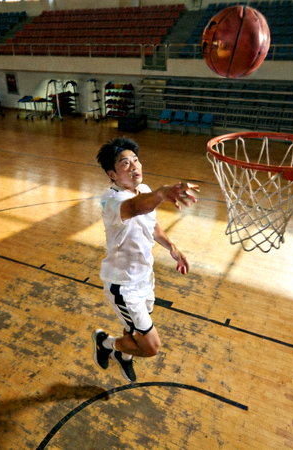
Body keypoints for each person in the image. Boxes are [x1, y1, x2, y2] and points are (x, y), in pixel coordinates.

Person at [92, 137, 198, 382]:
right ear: (112, 174)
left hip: (145, 278)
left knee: (133, 329)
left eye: (136, 160)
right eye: (125, 163)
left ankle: (125, 356)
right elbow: (135, 208)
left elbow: (151, 224)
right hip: (123, 284)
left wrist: (173, 247)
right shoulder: (111, 200)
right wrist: (162, 193)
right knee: (151, 347)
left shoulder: (146, 191)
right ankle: (106, 344)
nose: (134, 166)